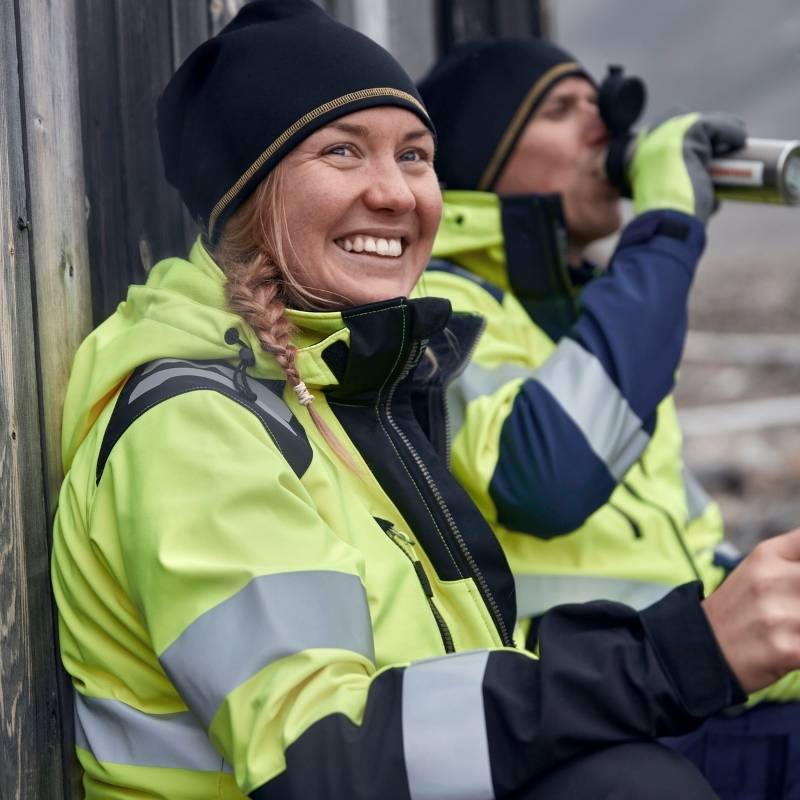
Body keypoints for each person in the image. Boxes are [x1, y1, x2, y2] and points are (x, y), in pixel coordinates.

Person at [50, 4, 800, 798]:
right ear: (248, 196)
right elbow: (321, 757)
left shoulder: (354, 392)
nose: (395, 193)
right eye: (341, 151)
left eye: (415, 156)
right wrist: (680, 656)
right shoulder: (192, 428)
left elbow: (445, 693)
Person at [416, 38, 800, 798]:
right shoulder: (430, 311)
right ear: (481, 157)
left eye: (602, 111)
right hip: (586, 721)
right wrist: (664, 228)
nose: (605, 134)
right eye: (562, 111)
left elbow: (680, 554)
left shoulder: (587, 327)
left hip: (690, 693)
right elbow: (547, 480)